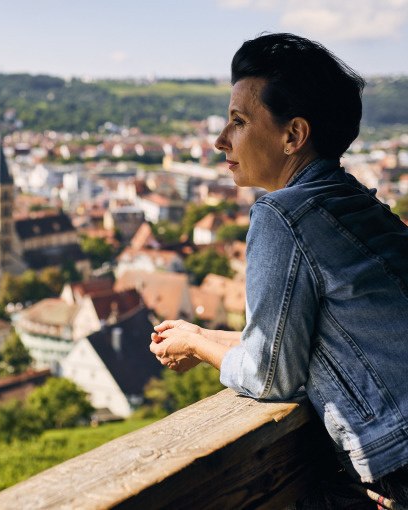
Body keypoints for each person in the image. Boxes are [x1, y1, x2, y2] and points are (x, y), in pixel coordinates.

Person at [149, 33, 408, 508]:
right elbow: (300, 341)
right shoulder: (354, 204)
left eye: (239, 121)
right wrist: (202, 332)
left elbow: (271, 376)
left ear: (293, 135)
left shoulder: (283, 214)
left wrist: (196, 344)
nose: (220, 140)